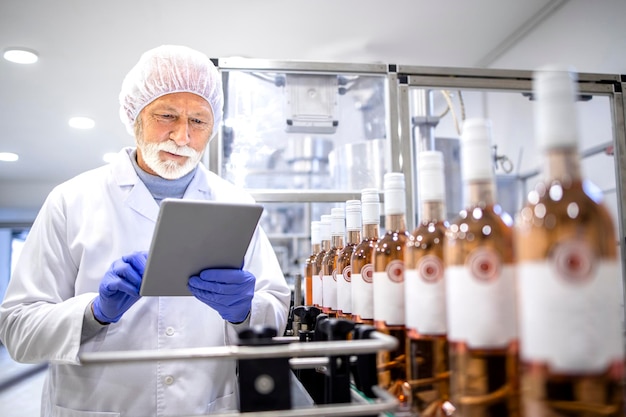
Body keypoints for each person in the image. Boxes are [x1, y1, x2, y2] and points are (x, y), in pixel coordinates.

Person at [0, 45, 291, 416]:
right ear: (134, 116)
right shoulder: (71, 200)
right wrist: (94, 312)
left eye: (198, 121)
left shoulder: (236, 203)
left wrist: (245, 312)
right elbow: (16, 329)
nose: (182, 136)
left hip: (205, 407)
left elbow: (275, 315)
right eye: (167, 115)